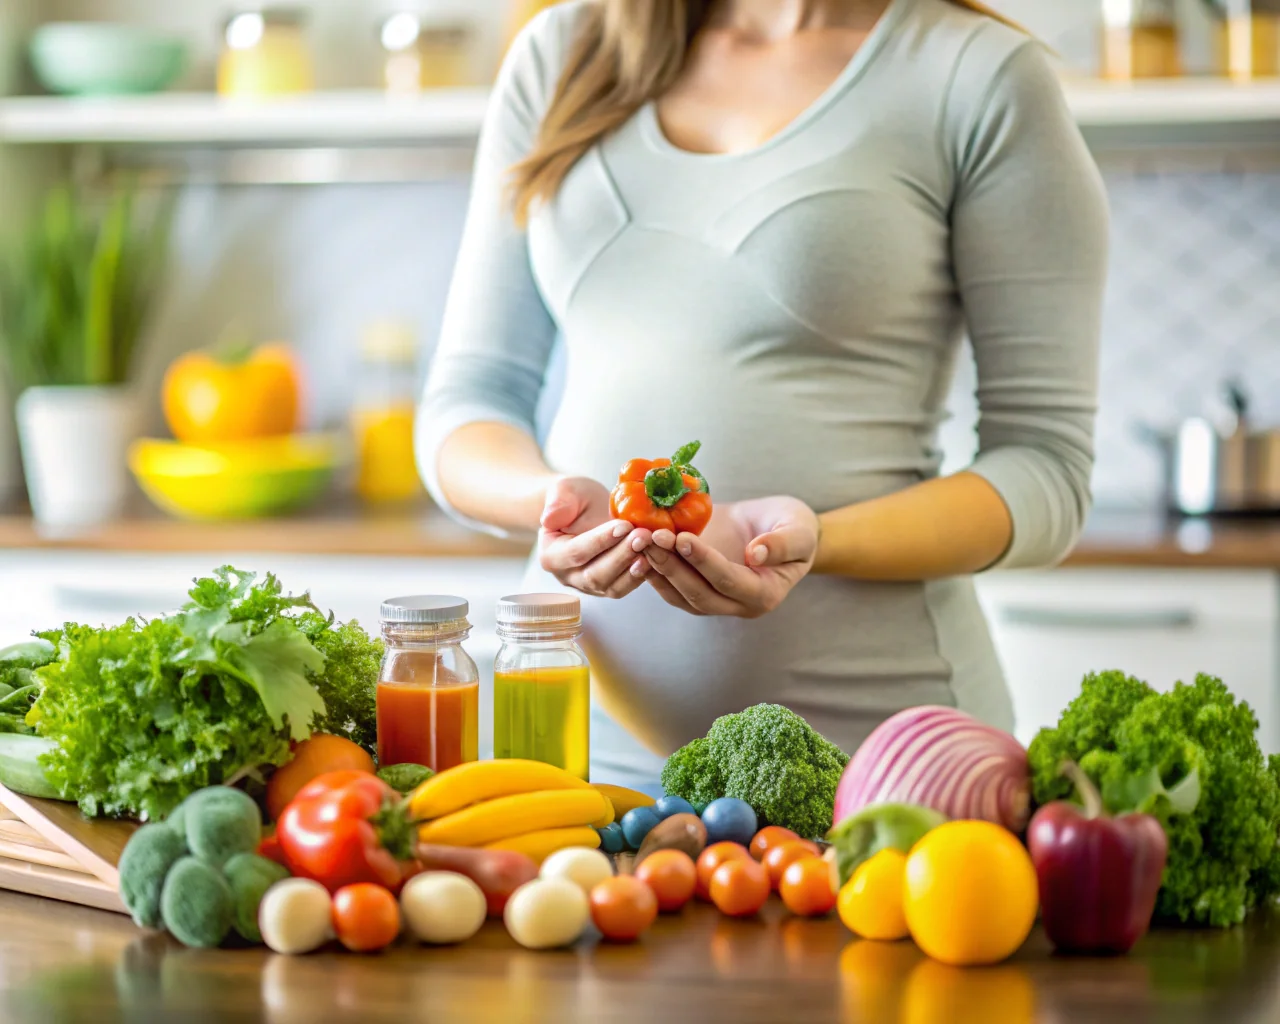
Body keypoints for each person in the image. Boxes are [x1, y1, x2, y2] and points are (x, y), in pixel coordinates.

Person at [417, 0, 1109, 792]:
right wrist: (549, 503)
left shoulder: (976, 78)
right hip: (576, 763)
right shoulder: (562, 53)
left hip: (885, 771)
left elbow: (1046, 468)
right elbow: (468, 403)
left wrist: (817, 542)